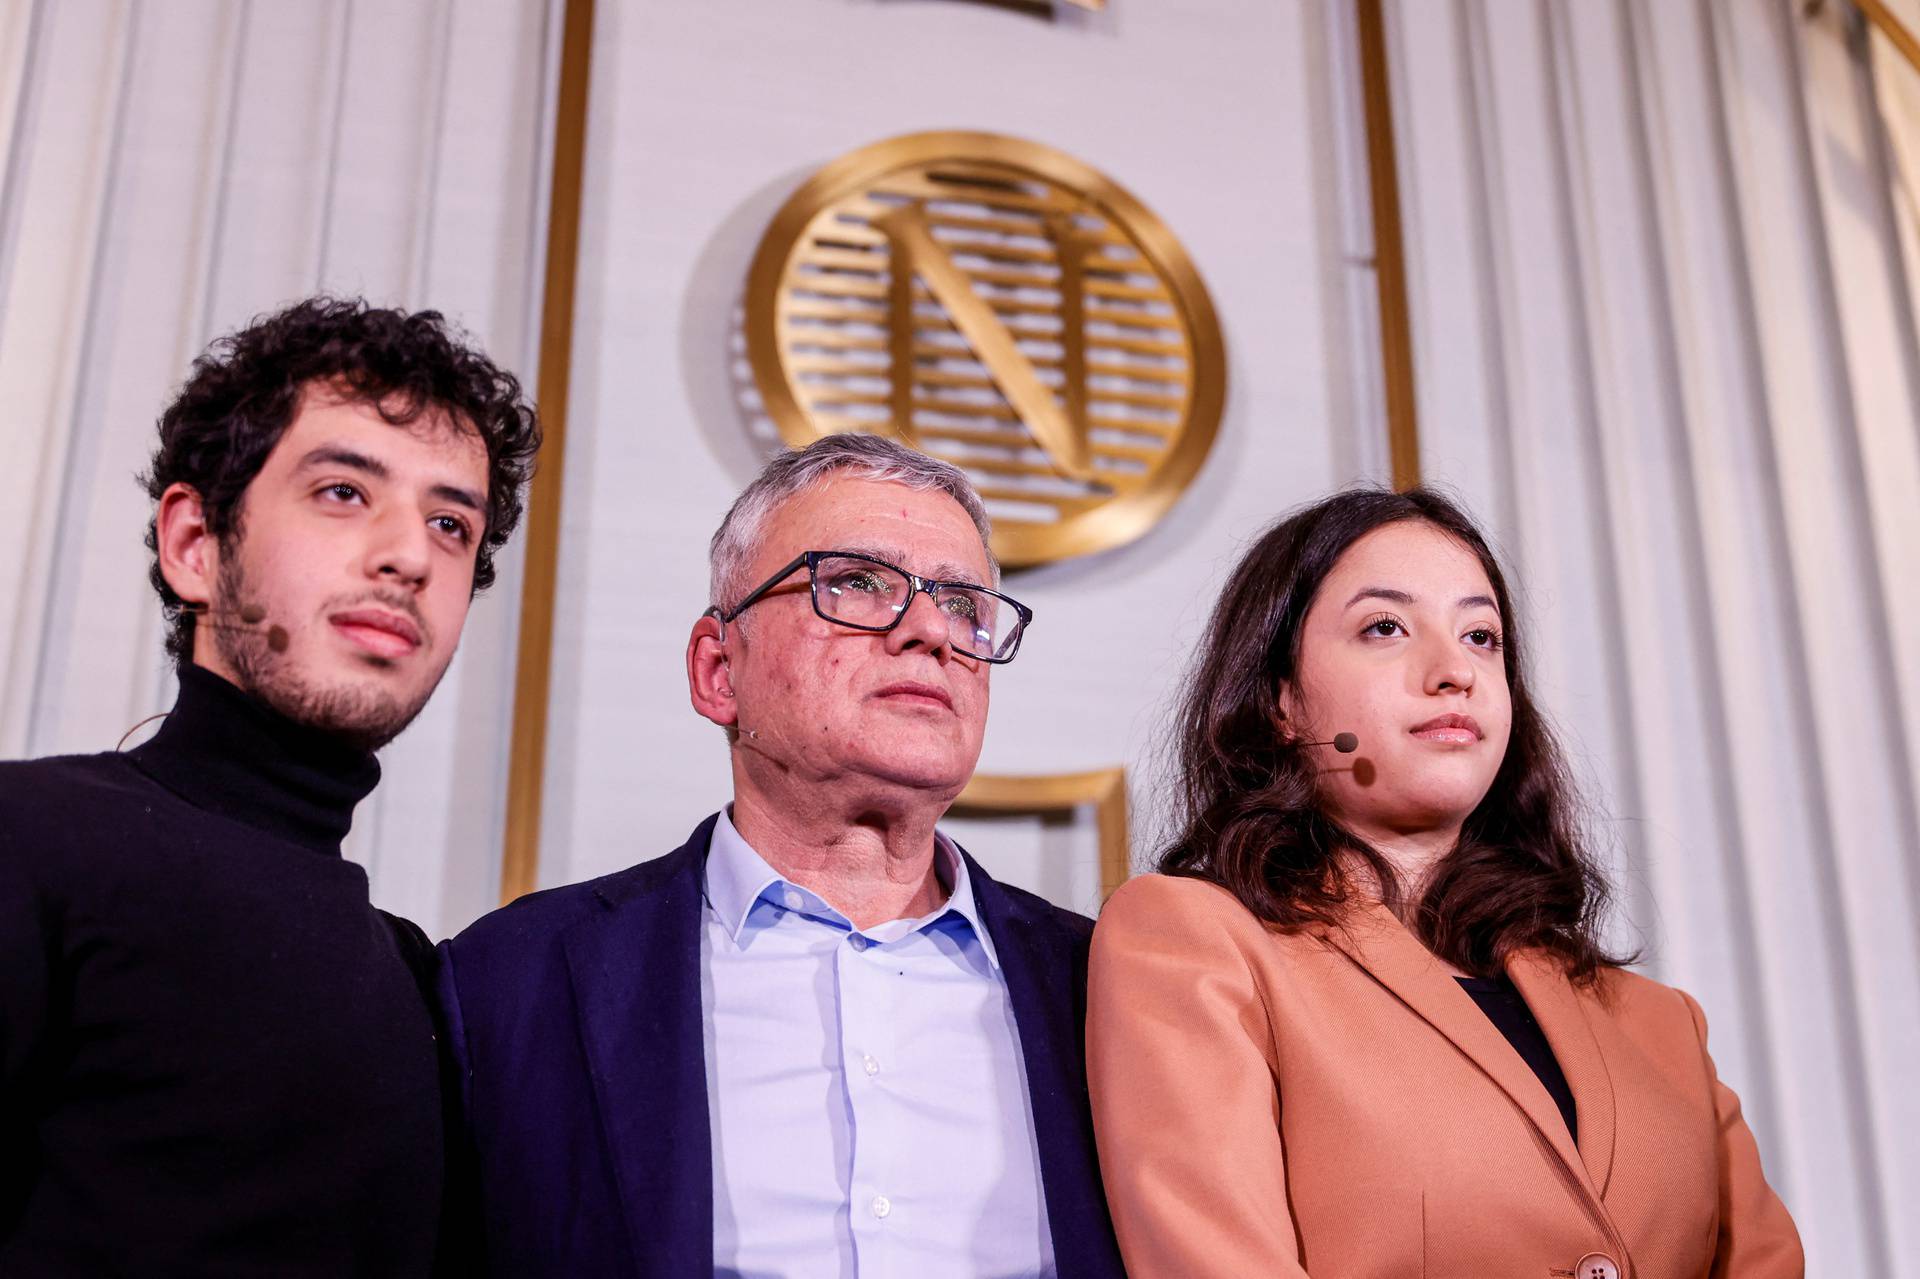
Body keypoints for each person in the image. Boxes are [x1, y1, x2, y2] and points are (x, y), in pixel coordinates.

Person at [436, 434, 1126, 1278]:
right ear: (718, 670)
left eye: (962, 603)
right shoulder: (510, 981)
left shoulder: (1107, 987)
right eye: (857, 583)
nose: (928, 631)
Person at [1087, 488, 1802, 1279]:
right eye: (1385, 626)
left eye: (1482, 635)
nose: (1454, 669)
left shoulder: (1663, 1022)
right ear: (1280, 699)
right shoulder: (1194, 939)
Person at [0, 296, 540, 1276]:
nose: (409, 554)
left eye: (451, 523)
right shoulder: (26, 841)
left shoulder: (425, 981)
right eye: (343, 491)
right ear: (195, 544)